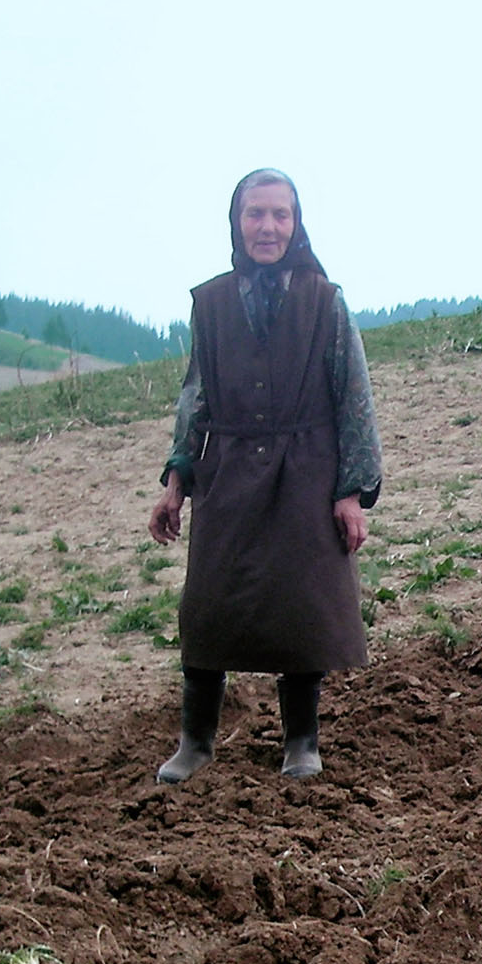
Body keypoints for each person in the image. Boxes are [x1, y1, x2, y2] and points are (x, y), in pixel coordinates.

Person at [146, 168, 383, 782]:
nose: (268, 227)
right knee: (208, 605)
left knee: (301, 604)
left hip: (306, 467)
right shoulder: (212, 301)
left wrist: (351, 492)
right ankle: (195, 743)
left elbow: (353, 396)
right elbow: (194, 395)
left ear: (296, 224)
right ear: (237, 222)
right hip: (227, 469)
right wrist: (177, 479)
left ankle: (301, 743)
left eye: (280, 215)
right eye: (256, 214)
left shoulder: (325, 301)